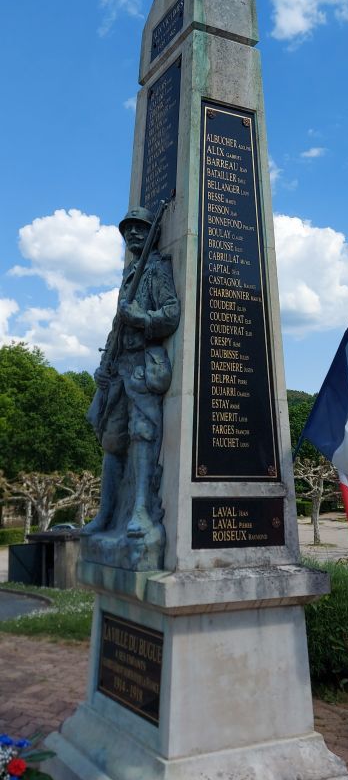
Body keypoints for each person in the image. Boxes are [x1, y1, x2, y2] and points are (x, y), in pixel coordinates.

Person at [83, 206, 180, 540]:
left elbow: (170, 314)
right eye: (128, 230)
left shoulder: (156, 270)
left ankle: (140, 508)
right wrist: (104, 367)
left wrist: (141, 317)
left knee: (142, 434)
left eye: (140, 228)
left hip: (142, 366)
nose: (133, 234)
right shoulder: (132, 274)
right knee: (112, 442)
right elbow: (117, 325)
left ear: (152, 232)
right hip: (119, 367)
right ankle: (107, 513)